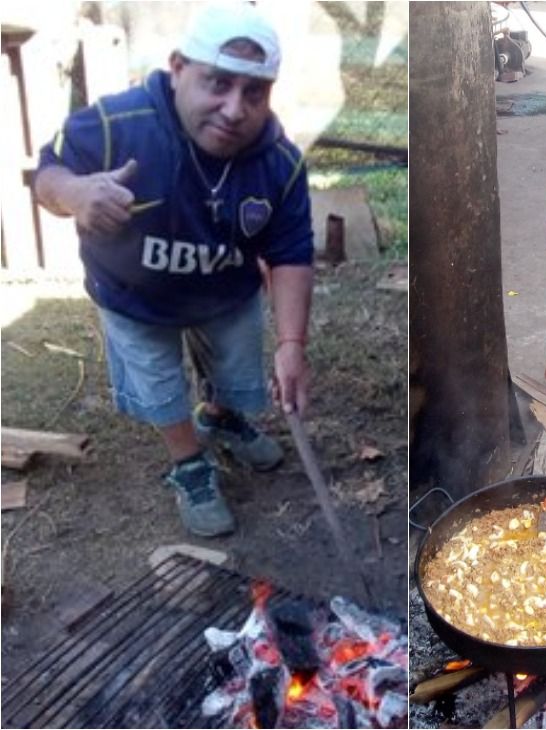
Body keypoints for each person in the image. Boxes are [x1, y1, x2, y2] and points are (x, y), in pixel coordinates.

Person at [34, 4, 314, 538]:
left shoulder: (280, 162)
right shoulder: (119, 124)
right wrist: (74, 194)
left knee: (234, 371)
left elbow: (291, 252)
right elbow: (49, 171)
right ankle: (188, 463)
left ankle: (221, 415)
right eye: (218, 83)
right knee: (159, 384)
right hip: (134, 298)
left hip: (225, 296)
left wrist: (292, 345)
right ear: (179, 67)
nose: (235, 109)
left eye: (253, 92)